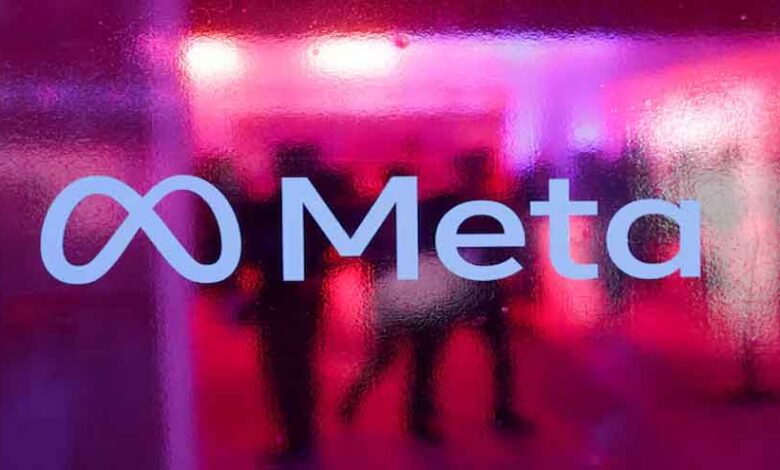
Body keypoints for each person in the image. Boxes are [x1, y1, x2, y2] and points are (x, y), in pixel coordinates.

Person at [339, 150, 528, 440]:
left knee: (432, 355)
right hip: (451, 288)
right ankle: (417, 416)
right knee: (421, 355)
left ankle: (425, 416)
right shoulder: (450, 206)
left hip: (468, 289)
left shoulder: (461, 206)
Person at [236, 143, 354, 456]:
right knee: (297, 367)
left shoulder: (281, 206)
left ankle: (297, 437)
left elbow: (259, 250)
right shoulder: (314, 205)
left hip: (283, 295)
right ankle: (300, 436)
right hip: (298, 295)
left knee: (286, 368)